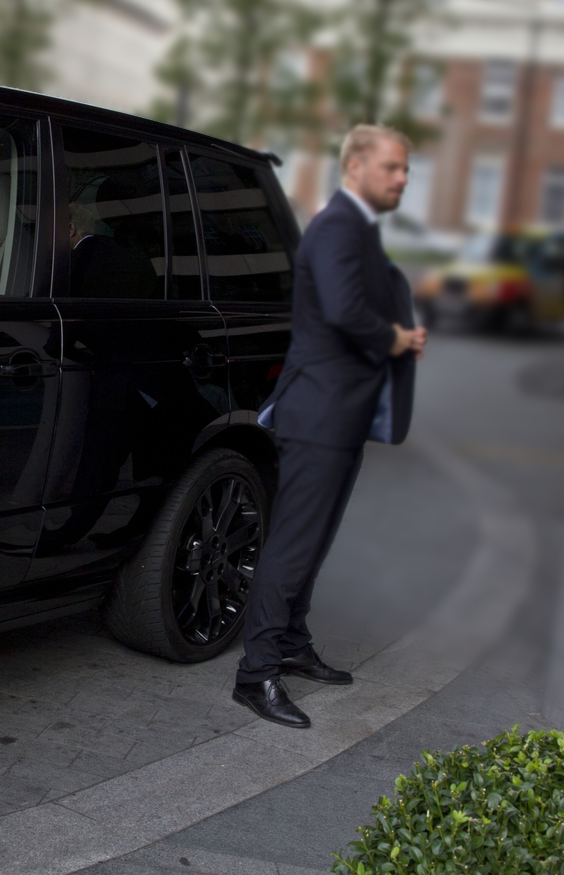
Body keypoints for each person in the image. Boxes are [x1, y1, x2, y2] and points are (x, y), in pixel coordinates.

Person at [233, 124, 426, 729]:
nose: (403, 178)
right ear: (356, 167)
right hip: (318, 415)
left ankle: (291, 643)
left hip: (341, 415)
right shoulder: (338, 226)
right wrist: (397, 337)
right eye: (392, 167)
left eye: (406, 168)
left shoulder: (357, 228)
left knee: (314, 542)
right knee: (293, 544)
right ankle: (256, 672)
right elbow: (345, 314)